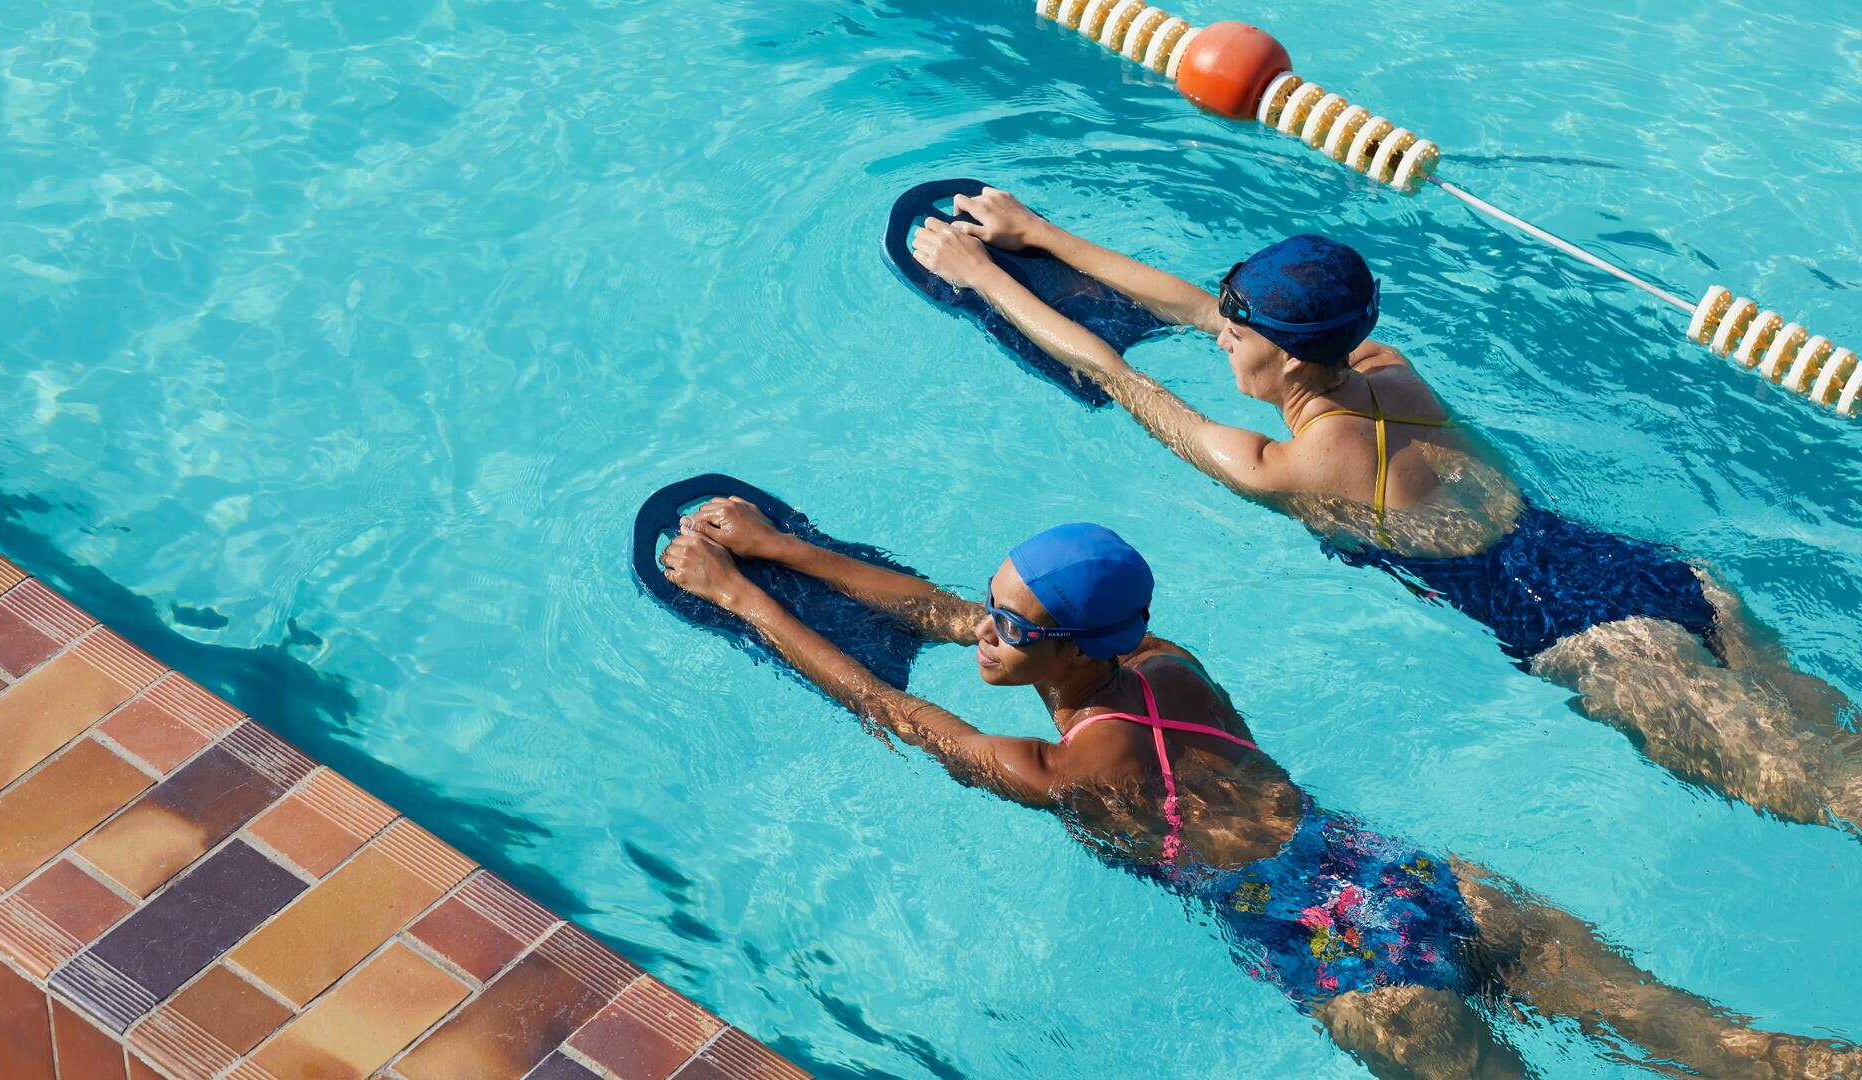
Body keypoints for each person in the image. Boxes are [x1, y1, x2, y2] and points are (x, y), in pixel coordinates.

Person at [660, 505, 1854, 1079]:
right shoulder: (1158, 660)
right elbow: (950, 615)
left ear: (1065, 646)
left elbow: (902, 714)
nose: (987, 632)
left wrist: (743, 601)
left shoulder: (1087, 768)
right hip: (1419, 881)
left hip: (1351, 967)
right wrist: (786, 547)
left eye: (1012, 625)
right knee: (1724, 1041)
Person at [908, 190, 1860, 836]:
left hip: (1603, 641)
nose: (1219, 336)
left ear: (1277, 357)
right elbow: (1201, 308)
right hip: (1652, 572)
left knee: (1825, 793)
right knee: (1842, 746)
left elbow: (1112, 373)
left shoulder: (1287, 466)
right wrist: (1038, 233)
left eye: (1236, 333)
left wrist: (982, 275)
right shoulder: (1382, 365)